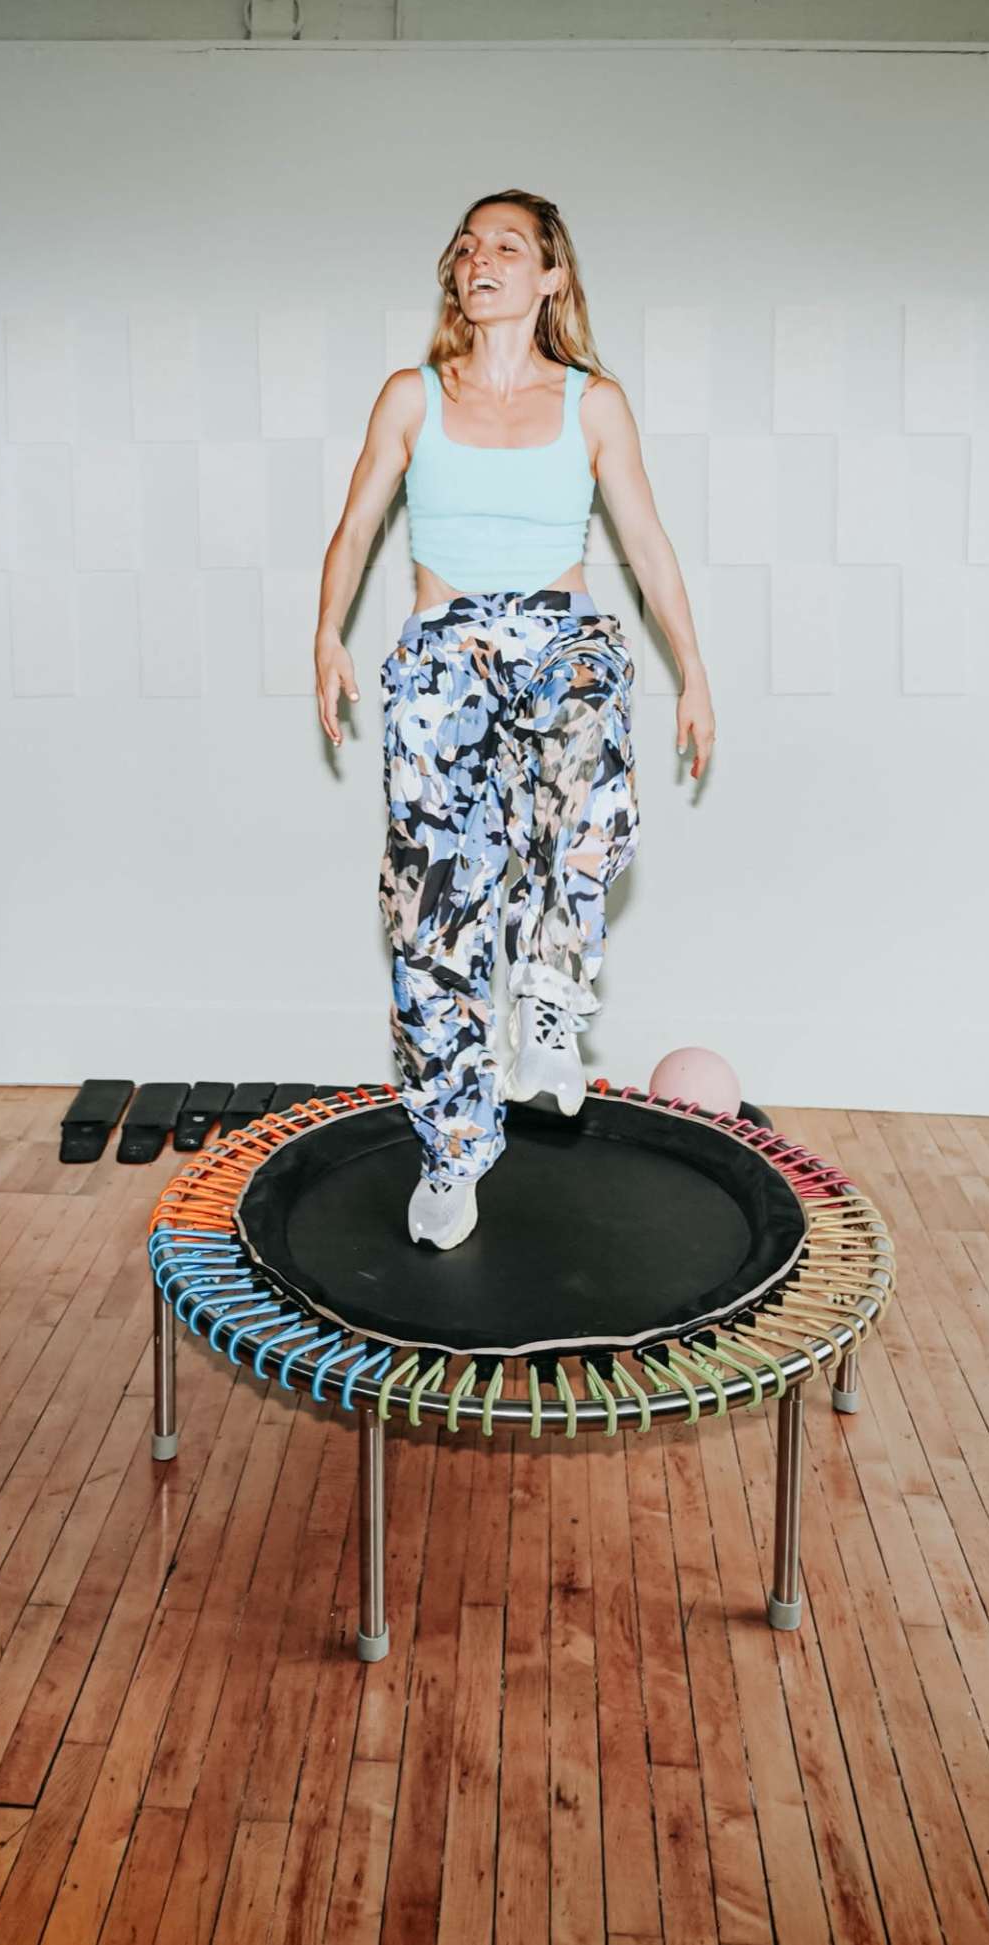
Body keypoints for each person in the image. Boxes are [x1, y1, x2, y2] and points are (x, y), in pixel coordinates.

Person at [312, 190, 716, 1251]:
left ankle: (548, 990)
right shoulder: (413, 395)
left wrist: (698, 674)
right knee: (430, 914)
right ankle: (454, 1143)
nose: (478, 256)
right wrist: (327, 636)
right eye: (466, 243)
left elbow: (651, 544)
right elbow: (355, 527)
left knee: (589, 726)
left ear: (549, 277)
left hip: (557, 630)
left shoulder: (592, 403)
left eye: (507, 244)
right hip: (443, 647)